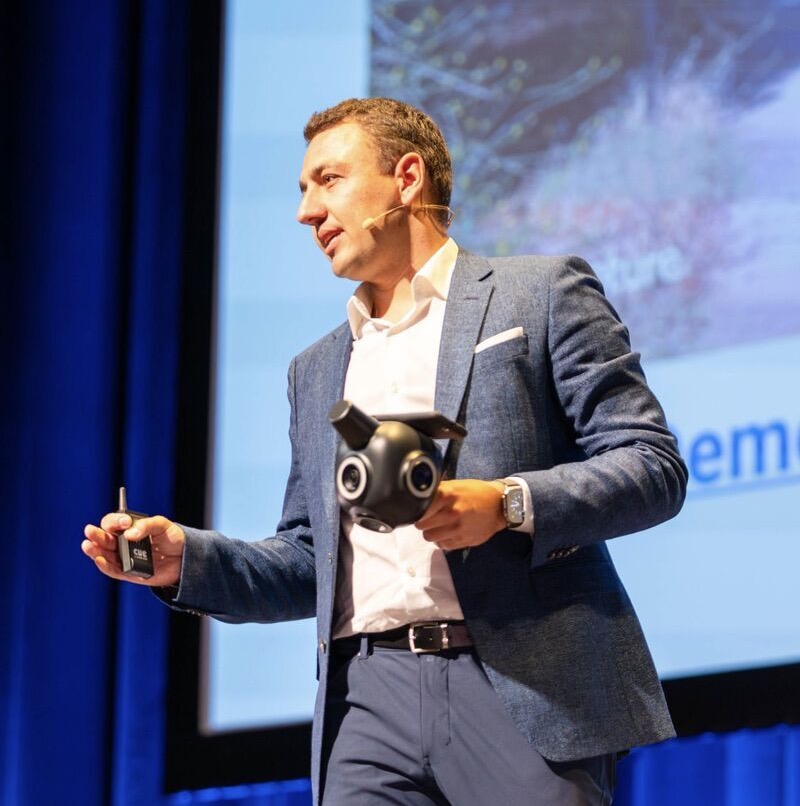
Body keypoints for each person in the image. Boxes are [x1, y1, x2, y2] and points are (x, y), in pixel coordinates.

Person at [83, 97, 687, 806]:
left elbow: (651, 464)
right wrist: (188, 559)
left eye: (329, 180)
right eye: (302, 189)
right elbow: (310, 559)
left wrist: (506, 504)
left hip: (520, 683)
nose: (306, 212)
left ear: (406, 179)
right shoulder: (315, 370)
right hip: (365, 699)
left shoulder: (540, 294)